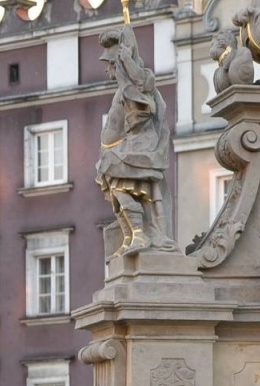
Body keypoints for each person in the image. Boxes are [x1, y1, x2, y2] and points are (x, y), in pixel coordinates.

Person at [97, 24, 176, 255]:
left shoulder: (138, 84)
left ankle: (139, 234)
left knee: (117, 183)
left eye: (109, 64)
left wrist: (127, 60)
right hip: (124, 148)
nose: (106, 70)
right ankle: (130, 237)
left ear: (117, 63)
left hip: (139, 146)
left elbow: (143, 86)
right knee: (114, 189)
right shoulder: (122, 90)